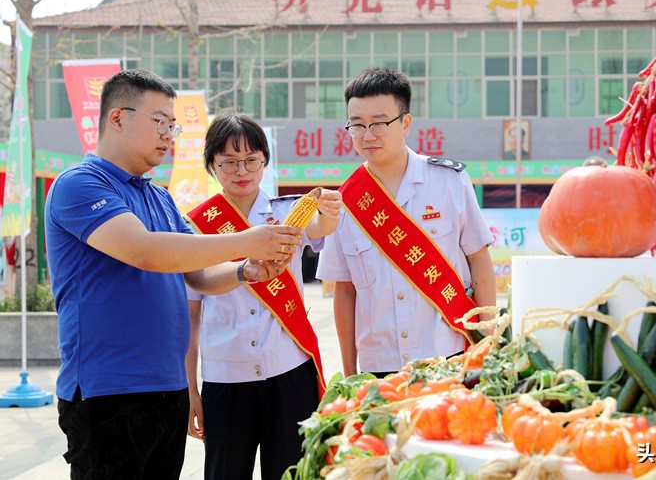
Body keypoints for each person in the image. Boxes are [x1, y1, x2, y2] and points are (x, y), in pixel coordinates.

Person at [44, 69, 302, 480]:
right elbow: (145, 252)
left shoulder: (159, 196)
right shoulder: (80, 185)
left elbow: (197, 275)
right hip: (108, 392)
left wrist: (245, 271)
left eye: (173, 125)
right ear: (117, 118)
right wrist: (247, 241)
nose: (169, 134)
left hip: (167, 390)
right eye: (159, 121)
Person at [184, 110, 341, 480]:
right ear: (211, 165)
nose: (242, 171)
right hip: (226, 378)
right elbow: (190, 317)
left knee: (291, 473)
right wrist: (191, 389)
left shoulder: (287, 214)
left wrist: (331, 214)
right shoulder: (194, 228)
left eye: (251, 160)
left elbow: (320, 226)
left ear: (265, 162)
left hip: (290, 371)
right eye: (229, 162)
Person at [316, 66, 496, 378]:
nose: (368, 135)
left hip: (449, 354)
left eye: (380, 123)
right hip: (380, 367)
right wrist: (348, 373)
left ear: (406, 123)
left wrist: (488, 344)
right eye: (357, 125)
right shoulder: (344, 203)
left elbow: (479, 259)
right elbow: (344, 292)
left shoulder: (449, 182)